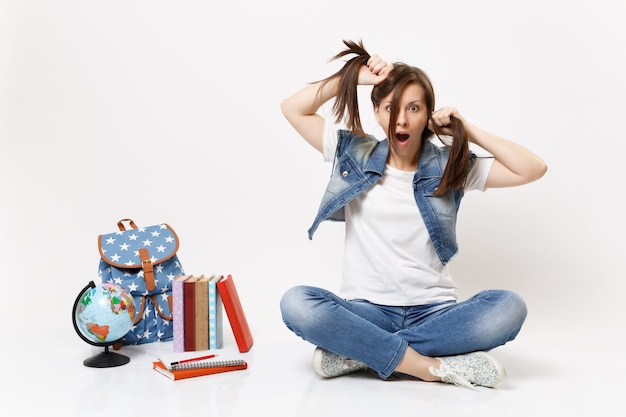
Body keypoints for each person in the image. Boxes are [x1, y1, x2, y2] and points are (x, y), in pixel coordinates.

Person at [279, 40, 547, 389]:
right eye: (390, 108)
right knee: (297, 303)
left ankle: (359, 352)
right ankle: (429, 367)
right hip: (368, 311)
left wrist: (466, 129)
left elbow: (533, 168)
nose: (401, 120)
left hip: (435, 312)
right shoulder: (352, 153)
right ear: (376, 112)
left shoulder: (451, 166)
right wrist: (355, 77)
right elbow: (292, 108)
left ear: (428, 116)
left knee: (509, 308)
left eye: (414, 108)